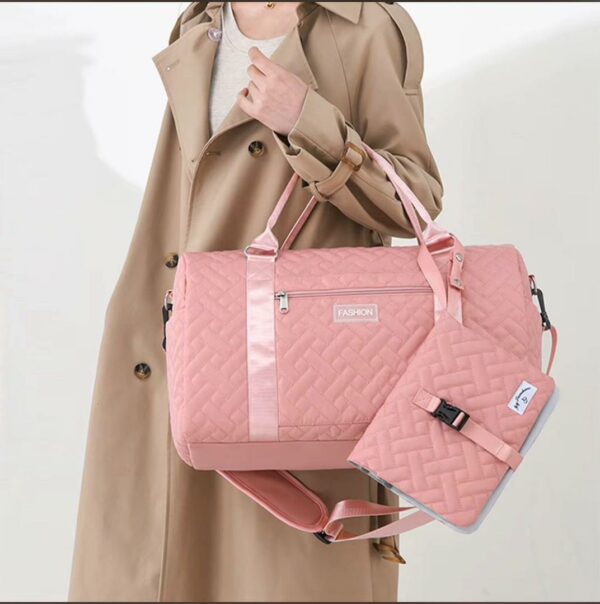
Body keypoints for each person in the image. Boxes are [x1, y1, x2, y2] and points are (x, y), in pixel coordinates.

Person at [69, 2, 444, 601]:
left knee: (277, 572)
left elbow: (414, 201)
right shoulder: (201, 21)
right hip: (177, 336)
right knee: (166, 561)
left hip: (294, 364)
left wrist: (307, 122)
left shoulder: (366, 27)